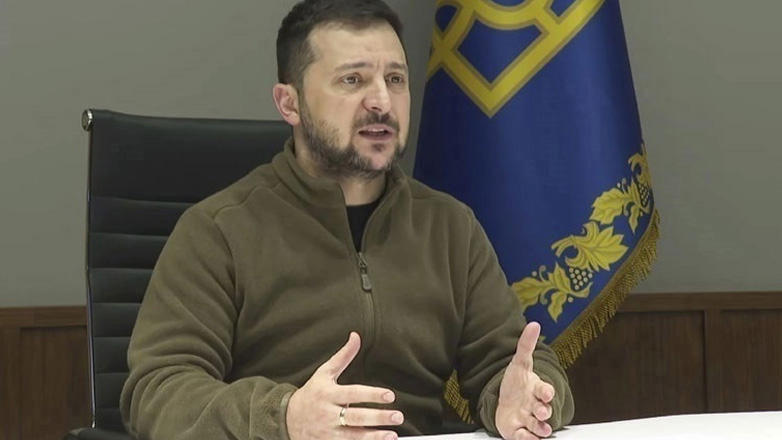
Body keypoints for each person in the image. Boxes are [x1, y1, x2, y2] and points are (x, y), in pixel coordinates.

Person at [119, 0, 575, 439]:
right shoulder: (219, 231)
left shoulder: (450, 227)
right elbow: (158, 392)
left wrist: (528, 399)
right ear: (289, 104)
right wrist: (284, 419)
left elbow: (512, 364)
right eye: (352, 80)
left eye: (395, 79)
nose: (381, 101)